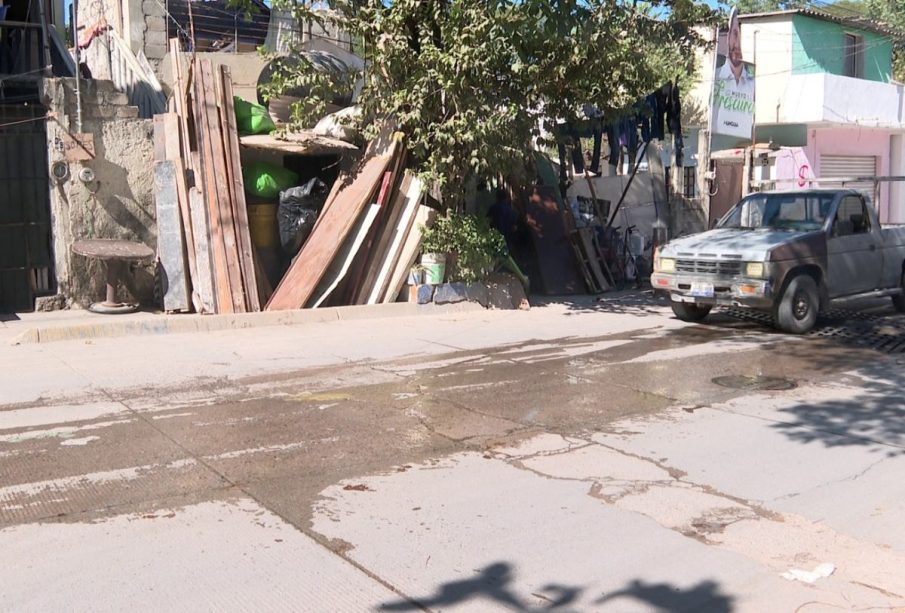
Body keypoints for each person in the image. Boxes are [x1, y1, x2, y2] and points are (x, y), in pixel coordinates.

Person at [712, 9, 755, 140]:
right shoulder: (718, 77)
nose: (736, 43)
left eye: (738, 35)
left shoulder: (751, 82)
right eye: (732, 35)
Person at [487, 188, 517, 252]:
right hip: (507, 239)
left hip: (495, 237)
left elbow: (488, 221)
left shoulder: (493, 208)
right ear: (506, 198)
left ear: (496, 197)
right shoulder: (510, 210)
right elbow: (514, 227)